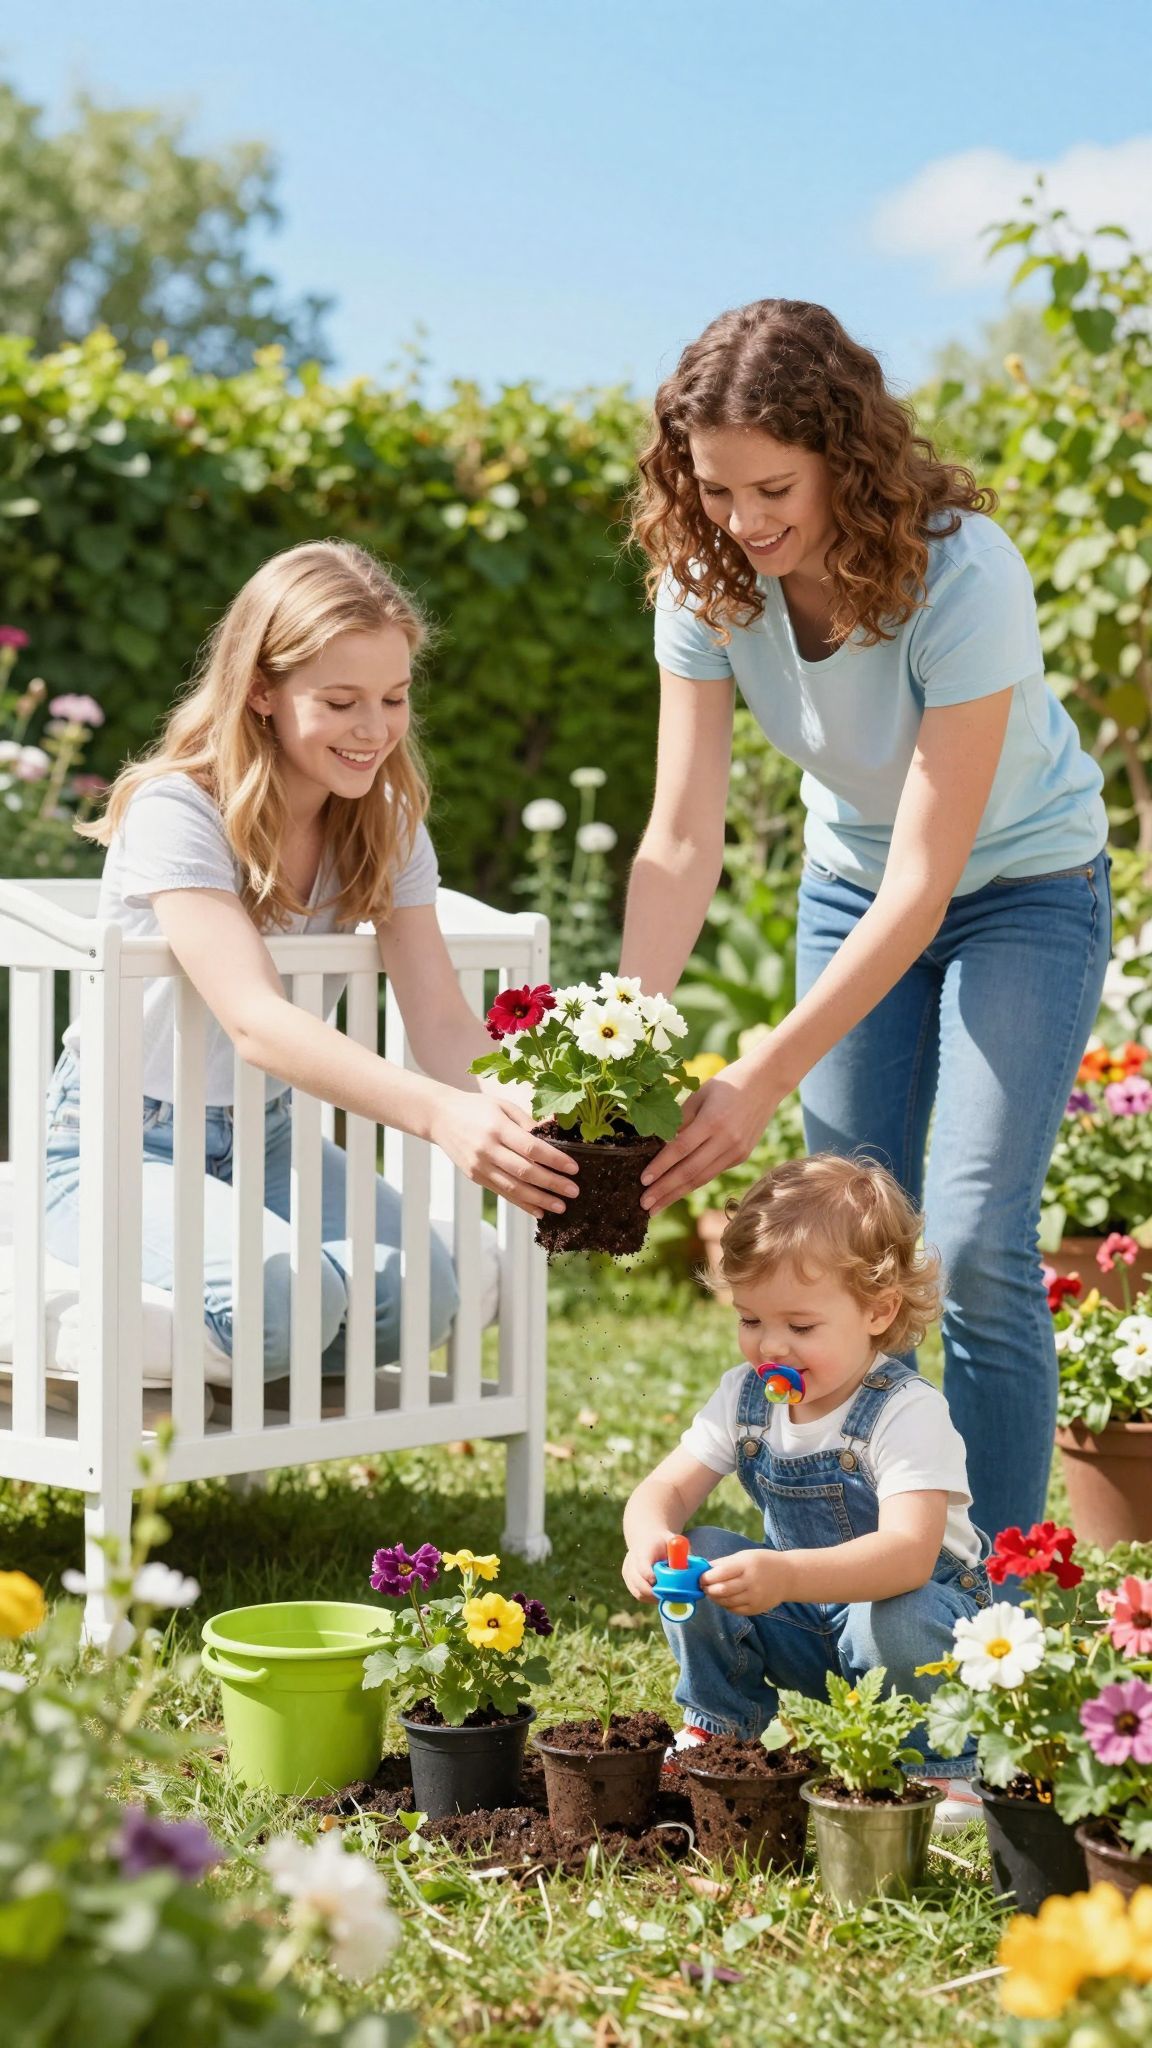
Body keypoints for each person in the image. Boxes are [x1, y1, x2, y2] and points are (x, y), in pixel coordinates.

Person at [621, 297, 1110, 1542]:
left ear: (845, 453)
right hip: (853, 884)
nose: (743, 521)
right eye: (716, 490)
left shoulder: (963, 573)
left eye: (772, 486)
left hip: (1022, 890)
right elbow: (682, 838)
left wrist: (753, 1074)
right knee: (838, 1246)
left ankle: (988, 1586)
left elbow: (926, 881)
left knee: (973, 1237)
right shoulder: (709, 577)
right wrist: (622, 1046)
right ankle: (851, 1560)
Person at [44, 540, 577, 1381]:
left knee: (425, 1296)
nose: (374, 730)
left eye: (394, 698)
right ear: (261, 690)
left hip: (269, 1137)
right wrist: (441, 1117)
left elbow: (440, 1021)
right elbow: (256, 1021)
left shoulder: (386, 821)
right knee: (294, 1301)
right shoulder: (178, 810)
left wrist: (532, 1116)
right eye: (340, 701)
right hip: (122, 1142)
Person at [622, 1154, 991, 1821]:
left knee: (896, 1614)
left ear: (878, 1312)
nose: (771, 1347)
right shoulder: (746, 1399)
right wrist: (646, 1539)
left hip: (916, 1628)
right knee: (696, 1549)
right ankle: (719, 1731)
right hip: (808, 1624)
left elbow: (908, 1556)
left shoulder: (905, 1411)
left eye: (800, 1326)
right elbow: (663, 1492)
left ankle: (941, 1767)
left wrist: (786, 1574)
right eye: (750, 1319)